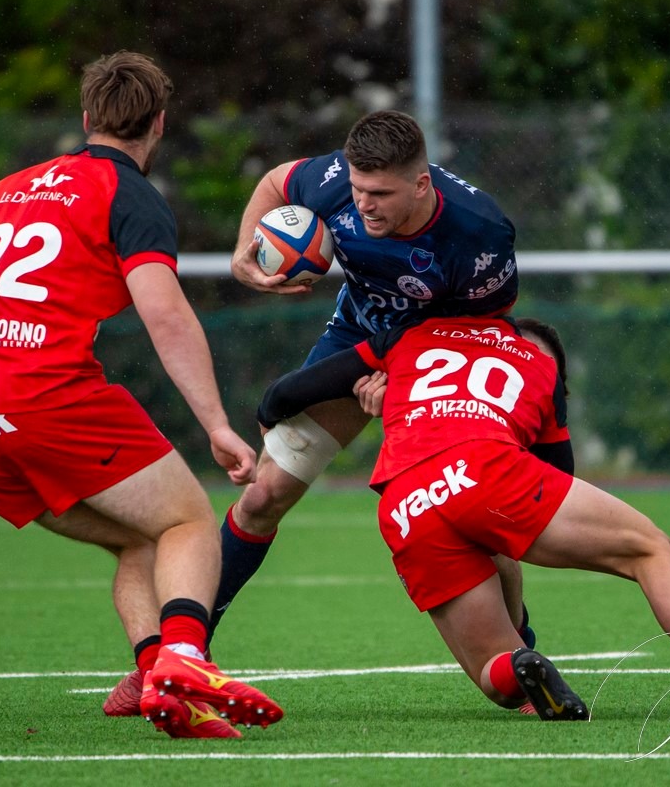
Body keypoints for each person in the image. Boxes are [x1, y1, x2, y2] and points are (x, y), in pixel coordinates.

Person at [0, 51, 282, 740]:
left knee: (144, 538)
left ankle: (155, 680)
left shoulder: (8, 188)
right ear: (159, 125)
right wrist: (216, 425)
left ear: (87, 119)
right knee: (190, 522)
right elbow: (165, 315)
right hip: (49, 399)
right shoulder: (129, 193)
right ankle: (183, 657)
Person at [257, 314, 670, 721]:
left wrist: (271, 420)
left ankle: (522, 664)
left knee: (497, 676)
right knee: (648, 548)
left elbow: (287, 391)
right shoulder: (538, 369)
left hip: (404, 502)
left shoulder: (414, 338)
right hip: (485, 470)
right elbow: (557, 477)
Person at [217, 110, 551, 645]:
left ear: (421, 183)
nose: (363, 204)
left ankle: (522, 653)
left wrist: (408, 378)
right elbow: (276, 180)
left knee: (471, 523)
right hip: (357, 337)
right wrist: (241, 250)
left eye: (380, 194)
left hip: (442, 357)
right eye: (357, 188)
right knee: (263, 496)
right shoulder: (335, 184)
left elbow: (486, 329)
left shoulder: (478, 233)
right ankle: (182, 650)